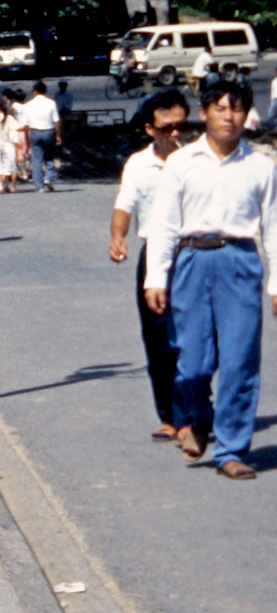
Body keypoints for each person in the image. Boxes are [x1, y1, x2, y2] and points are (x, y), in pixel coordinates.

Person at [143, 74, 274, 480]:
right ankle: (200, 419)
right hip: (192, 263)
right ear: (205, 113)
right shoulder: (182, 163)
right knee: (194, 362)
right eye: (221, 108)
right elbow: (164, 223)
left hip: (239, 262)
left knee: (239, 362)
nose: (229, 117)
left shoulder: (261, 166)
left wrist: (275, 284)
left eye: (237, 108)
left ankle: (231, 451)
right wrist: (155, 277)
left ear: (246, 114)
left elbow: (273, 227)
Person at [112, 92, 193, 441]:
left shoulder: (198, 160)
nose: (176, 134)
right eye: (167, 127)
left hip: (193, 255)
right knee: (158, 338)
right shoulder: (138, 164)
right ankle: (170, 416)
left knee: (193, 338)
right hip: (153, 256)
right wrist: (118, 237)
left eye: (182, 125)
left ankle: (192, 410)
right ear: (149, 129)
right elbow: (124, 204)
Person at [18, 81, 64, 191]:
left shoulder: (28, 105)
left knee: (36, 159)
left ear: (34, 91)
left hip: (35, 131)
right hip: (48, 131)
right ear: (45, 91)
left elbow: (25, 124)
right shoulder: (51, 103)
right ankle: (48, 177)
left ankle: (39, 186)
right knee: (49, 156)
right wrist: (58, 135)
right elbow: (56, 121)